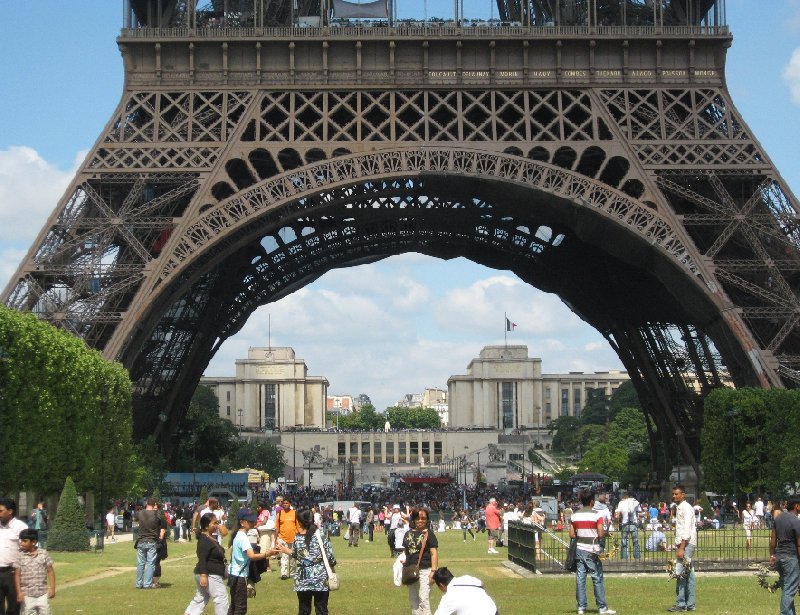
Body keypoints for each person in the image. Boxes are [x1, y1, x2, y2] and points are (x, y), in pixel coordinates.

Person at [273, 509, 337, 615]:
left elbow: (296, 554)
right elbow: (330, 556)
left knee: (304, 610)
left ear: (299, 522)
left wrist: (284, 549)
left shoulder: (297, 538)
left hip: (302, 578)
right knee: (321, 609)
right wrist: (332, 569)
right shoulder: (321, 534)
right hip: (320, 578)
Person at [569, 490, 616, 615]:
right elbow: (600, 533)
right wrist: (604, 533)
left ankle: (581, 607)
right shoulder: (597, 515)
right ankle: (602, 607)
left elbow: (572, 534)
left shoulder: (575, 515)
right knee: (597, 577)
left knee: (580, 578)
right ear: (592, 502)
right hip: (592, 549)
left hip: (579, 548)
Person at [184, 512, 229, 615]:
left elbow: (225, 533)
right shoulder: (204, 540)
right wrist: (204, 575)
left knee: (201, 597)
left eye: (217, 522)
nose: (216, 525)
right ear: (206, 526)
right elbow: (202, 558)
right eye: (214, 523)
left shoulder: (210, 537)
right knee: (221, 597)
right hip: (209, 574)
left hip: (209, 573)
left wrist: (220, 526)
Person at [228, 508, 268, 615]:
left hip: (234, 574)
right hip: (240, 576)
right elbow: (252, 556)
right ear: (242, 522)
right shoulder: (243, 537)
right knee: (240, 609)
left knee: (234, 606)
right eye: (249, 521)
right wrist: (267, 554)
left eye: (253, 521)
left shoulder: (238, 535)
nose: (252, 523)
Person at [403, 508, 439, 615]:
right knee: (413, 599)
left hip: (425, 570)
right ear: (413, 520)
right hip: (410, 570)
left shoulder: (429, 534)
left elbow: (434, 553)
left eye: (423, 518)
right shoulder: (408, 533)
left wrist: (433, 571)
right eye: (417, 518)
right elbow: (406, 551)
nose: (420, 521)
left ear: (427, 520)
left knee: (424, 599)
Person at [668, 485, 697, 612]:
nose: (674, 496)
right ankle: (690, 604)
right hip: (684, 543)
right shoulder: (680, 507)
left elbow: (686, 529)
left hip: (687, 543)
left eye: (676, 494)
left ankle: (681, 604)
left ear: (683, 494)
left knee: (680, 573)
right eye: (673, 494)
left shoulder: (686, 508)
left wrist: (682, 547)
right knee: (689, 574)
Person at [12, 529, 55, 615]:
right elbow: (17, 575)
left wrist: (52, 588)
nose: (21, 543)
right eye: (21, 541)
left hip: (42, 593)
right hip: (27, 595)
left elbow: (50, 571)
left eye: (25, 541)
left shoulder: (43, 554)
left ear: (33, 542)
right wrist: (19, 592)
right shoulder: (19, 555)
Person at [769, 497, 800, 615]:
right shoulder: (796, 521)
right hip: (790, 558)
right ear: (797, 506)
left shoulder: (778, 519)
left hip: (779, 557)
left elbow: (773, 540)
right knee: (789, 590)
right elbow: (799, 546)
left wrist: (772, 555)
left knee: (787, 588)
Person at [0, 498, 29, 615]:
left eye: (1, 511)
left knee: (13, 608)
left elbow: (30, 549)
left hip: (13, 573)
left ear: (10, 511)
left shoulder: (21, 527)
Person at [432, 567, 497, 615]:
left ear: (441, 585)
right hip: (493, 610)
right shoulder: (467, 577)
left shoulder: (448, 597)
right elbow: (481, 583)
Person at [135, 497, 161, 589]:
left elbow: (135, 520)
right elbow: (160, 523)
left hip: (141, 540)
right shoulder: (156, 514)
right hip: (151, 540)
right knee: (150, 563)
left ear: (146, 503)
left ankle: (138, 583)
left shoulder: (140, 513)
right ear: (154, 505)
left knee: (140, 563)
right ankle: (147, 584)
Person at [274, 498, 299, 580]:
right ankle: (284, 574)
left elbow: (298, 526)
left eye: (287, 503)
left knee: (293, 557)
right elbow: (277, 528)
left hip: (293, 538)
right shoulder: (280, 514)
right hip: (282, 538)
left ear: (290, 504)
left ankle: (292, 574)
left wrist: (298, 536)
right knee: (284, 557)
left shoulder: (294, 513)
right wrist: (275, 539)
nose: (285, 504)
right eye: (284, 503)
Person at [615, 491, 640, 560]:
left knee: (624, 542)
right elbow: (638, 512)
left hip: (625, 523)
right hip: (634, 524)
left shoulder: (621, 503)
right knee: (635, 542)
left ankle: (624, 557)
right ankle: (637, 557)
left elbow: (618, 514)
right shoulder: (635, 502)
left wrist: (617, 519)